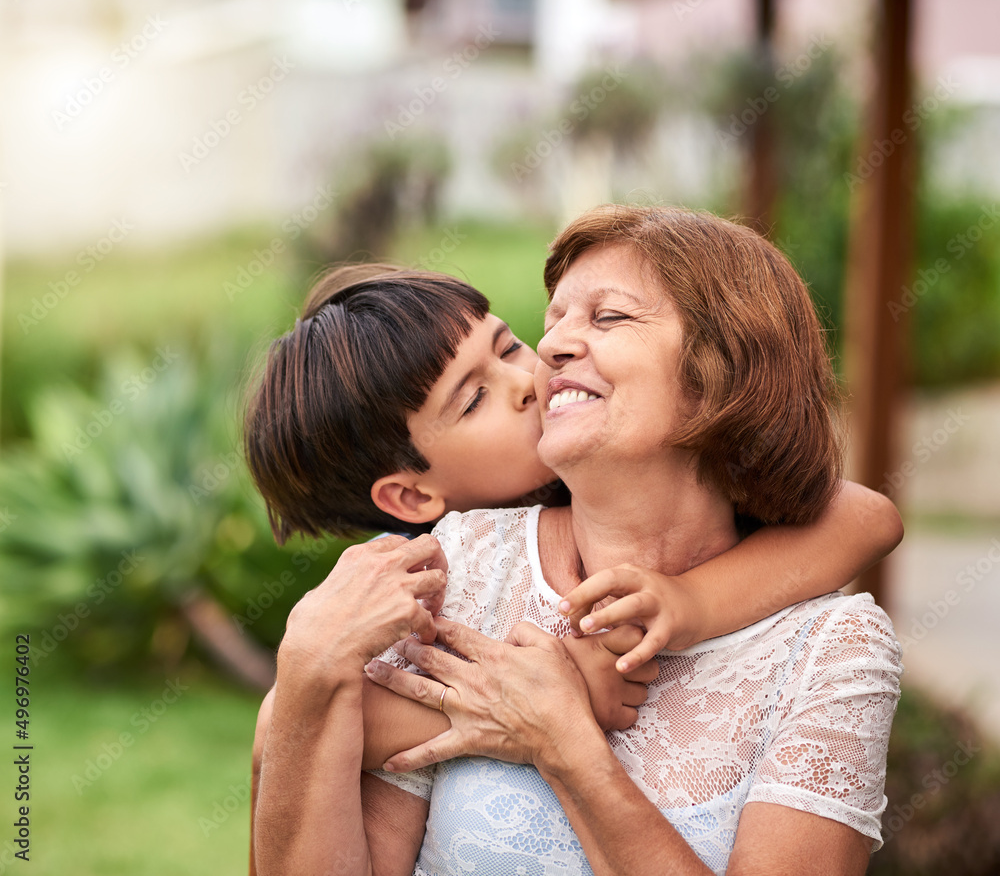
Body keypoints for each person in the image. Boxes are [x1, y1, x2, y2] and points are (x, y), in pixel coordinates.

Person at [248, 213, 903, 875]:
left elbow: (868, 517)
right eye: (474, 400)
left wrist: (687, 606)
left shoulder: (830, 645)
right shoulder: (453, 568)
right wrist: (515, 694)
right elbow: (289, 725)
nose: (541, 361)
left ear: (722, 365)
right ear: (412, 498)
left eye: (509, 347)